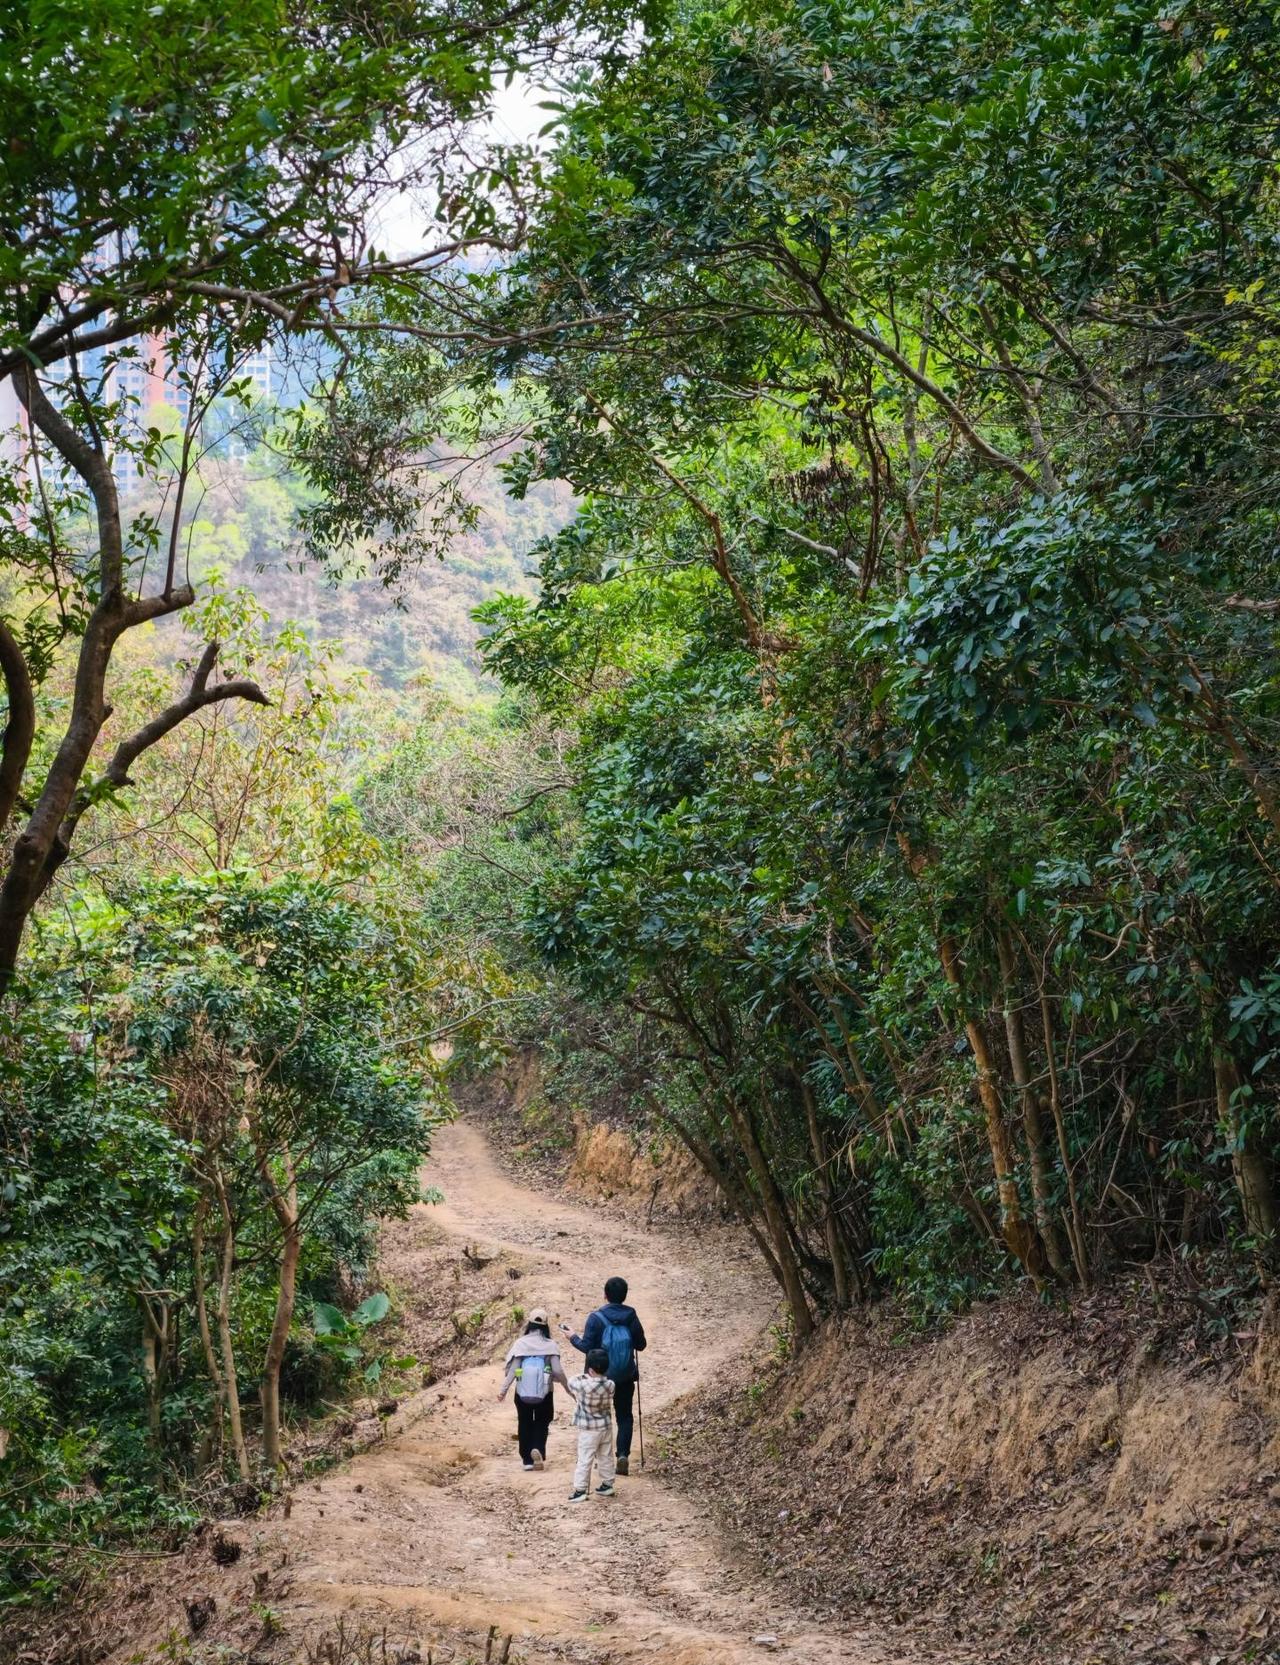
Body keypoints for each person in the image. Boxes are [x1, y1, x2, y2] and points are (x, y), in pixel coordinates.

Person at [562, 1276, 646, 1475]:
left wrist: (572, 1336)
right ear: (624, 1295)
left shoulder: (596, 1317)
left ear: (605, 1295)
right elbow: (641, 1345)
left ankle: (597, 1459)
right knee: (625, 1415)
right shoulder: (631, 1316)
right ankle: (623, 1454)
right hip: (625, 1375)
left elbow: (586, 1347)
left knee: (598, 1415)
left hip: (600, 1378)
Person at [498, 1308, 570, 1470]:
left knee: (524, 1422)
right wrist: (567, 1388)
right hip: (545, 1393)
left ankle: (527, 1461)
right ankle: (537, 1448)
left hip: (521, 1393)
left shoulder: (520, 1344)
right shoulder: (550, 1345)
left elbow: (512, 1370)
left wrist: (502, 1391)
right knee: (542, 1421)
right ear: (545, 1326)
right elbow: (557, 1370)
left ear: (529, 1324)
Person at [566, 1347, 616, 1502]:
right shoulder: (610, 1385)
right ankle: (608, 1484)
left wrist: (585, 1375)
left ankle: (580, 1489)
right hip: (605, 1427)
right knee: (606, 1455)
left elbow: (571, 1381)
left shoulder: (583, 1386)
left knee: (585, 1458)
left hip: (589, 1430)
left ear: (590, 1369)